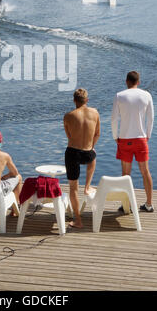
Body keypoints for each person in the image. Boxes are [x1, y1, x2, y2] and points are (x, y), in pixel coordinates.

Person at [112, 71, 154, 212]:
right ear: (139, 82)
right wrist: (147, 135)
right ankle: (149, 204)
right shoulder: (147, 95)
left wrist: (115, 136)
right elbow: (151, 118)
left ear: (126, 81)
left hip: (124, 139)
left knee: (126, 174)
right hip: (141, 139)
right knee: (145, 171)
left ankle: (127, 205)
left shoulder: (119, 96)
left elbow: (113, 119)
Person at [64, 88, 100, 228]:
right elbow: (97, 134)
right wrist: (90, 146)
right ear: (87, 100)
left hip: (73, 153)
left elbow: (69, 136)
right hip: (88, 152)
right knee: (93, 157)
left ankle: (78, 220)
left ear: (74, 101)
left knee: (73, 188)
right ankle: (87, 186)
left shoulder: (68, 116)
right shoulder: (95, 112)